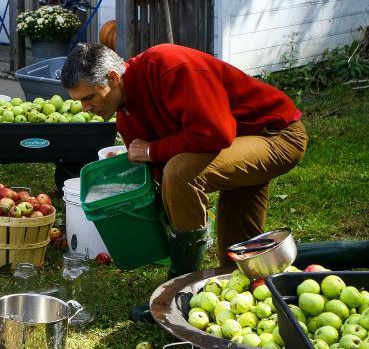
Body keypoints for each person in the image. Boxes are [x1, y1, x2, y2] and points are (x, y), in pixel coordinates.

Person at [61, 43, 307, 277]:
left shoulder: (168, 66)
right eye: (79, 101)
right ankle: (245, 277)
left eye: (89, 97)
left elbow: (216, 133)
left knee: (181, 173)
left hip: (277, 134)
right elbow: (156, 177)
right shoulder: (126, 117)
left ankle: (181, 278)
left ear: (113, 78)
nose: (85, 108)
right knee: (237, 260)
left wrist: (153, 151)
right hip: (238, 140)